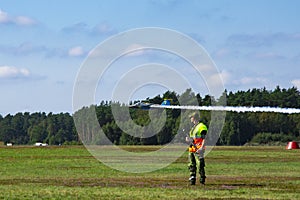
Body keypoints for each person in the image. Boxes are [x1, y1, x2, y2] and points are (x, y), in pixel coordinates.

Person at [186, 112, 207, 185]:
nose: (190, 119)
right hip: (192, 149)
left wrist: (201, 147)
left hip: (198, 149)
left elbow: (204, 138)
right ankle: (192, 178)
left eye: (191, 117)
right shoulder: (193, 128)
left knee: (200, 164)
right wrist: (188, 139)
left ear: (194, 118)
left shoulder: (201, 126)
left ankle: (202, 178)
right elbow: (193, 138)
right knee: (191, 164)